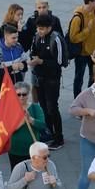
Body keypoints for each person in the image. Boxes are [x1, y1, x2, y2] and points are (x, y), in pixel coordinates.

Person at [29, 14, 62, 150]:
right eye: (38, 29)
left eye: (42, 29)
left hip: (52, 79)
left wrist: (41, 61)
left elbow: (59, 62)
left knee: (52, 108)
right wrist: (34, 58)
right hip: (40, 78)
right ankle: (48, 133)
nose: (39, 32)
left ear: (49, 28)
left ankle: (59, 137)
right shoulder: (36, 37)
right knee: (43, 108)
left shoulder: (56, 39)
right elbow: (33, 52)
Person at [69, 0, 95, 98]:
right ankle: (77, 100)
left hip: (93, 51)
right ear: (89, 2)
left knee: (93, 76)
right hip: (81, 53)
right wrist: (87, 30)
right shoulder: (78, 17)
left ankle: (90, 97)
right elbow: (73, 38)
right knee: (79, 77)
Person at [8, 82, 46, 169]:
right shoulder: (10, 108)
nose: (21, 97)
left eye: (24, 94)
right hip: (15, 150)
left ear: (28, 94)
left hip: (33, 150)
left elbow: (42, 125)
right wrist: (22, 122)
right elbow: (7, 130)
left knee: (34, 174)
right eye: (18, 94)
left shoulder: (35, 107)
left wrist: (31, 120)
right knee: (17, 175)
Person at [0, 23, 29, 99]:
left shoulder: (19, 47)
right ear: (6, 37)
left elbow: (25, 64)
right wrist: (11, 68)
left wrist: (23, 66)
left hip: (18, 87)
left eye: (17, 37)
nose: (16, 40)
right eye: (13, 38)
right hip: (4, 88)